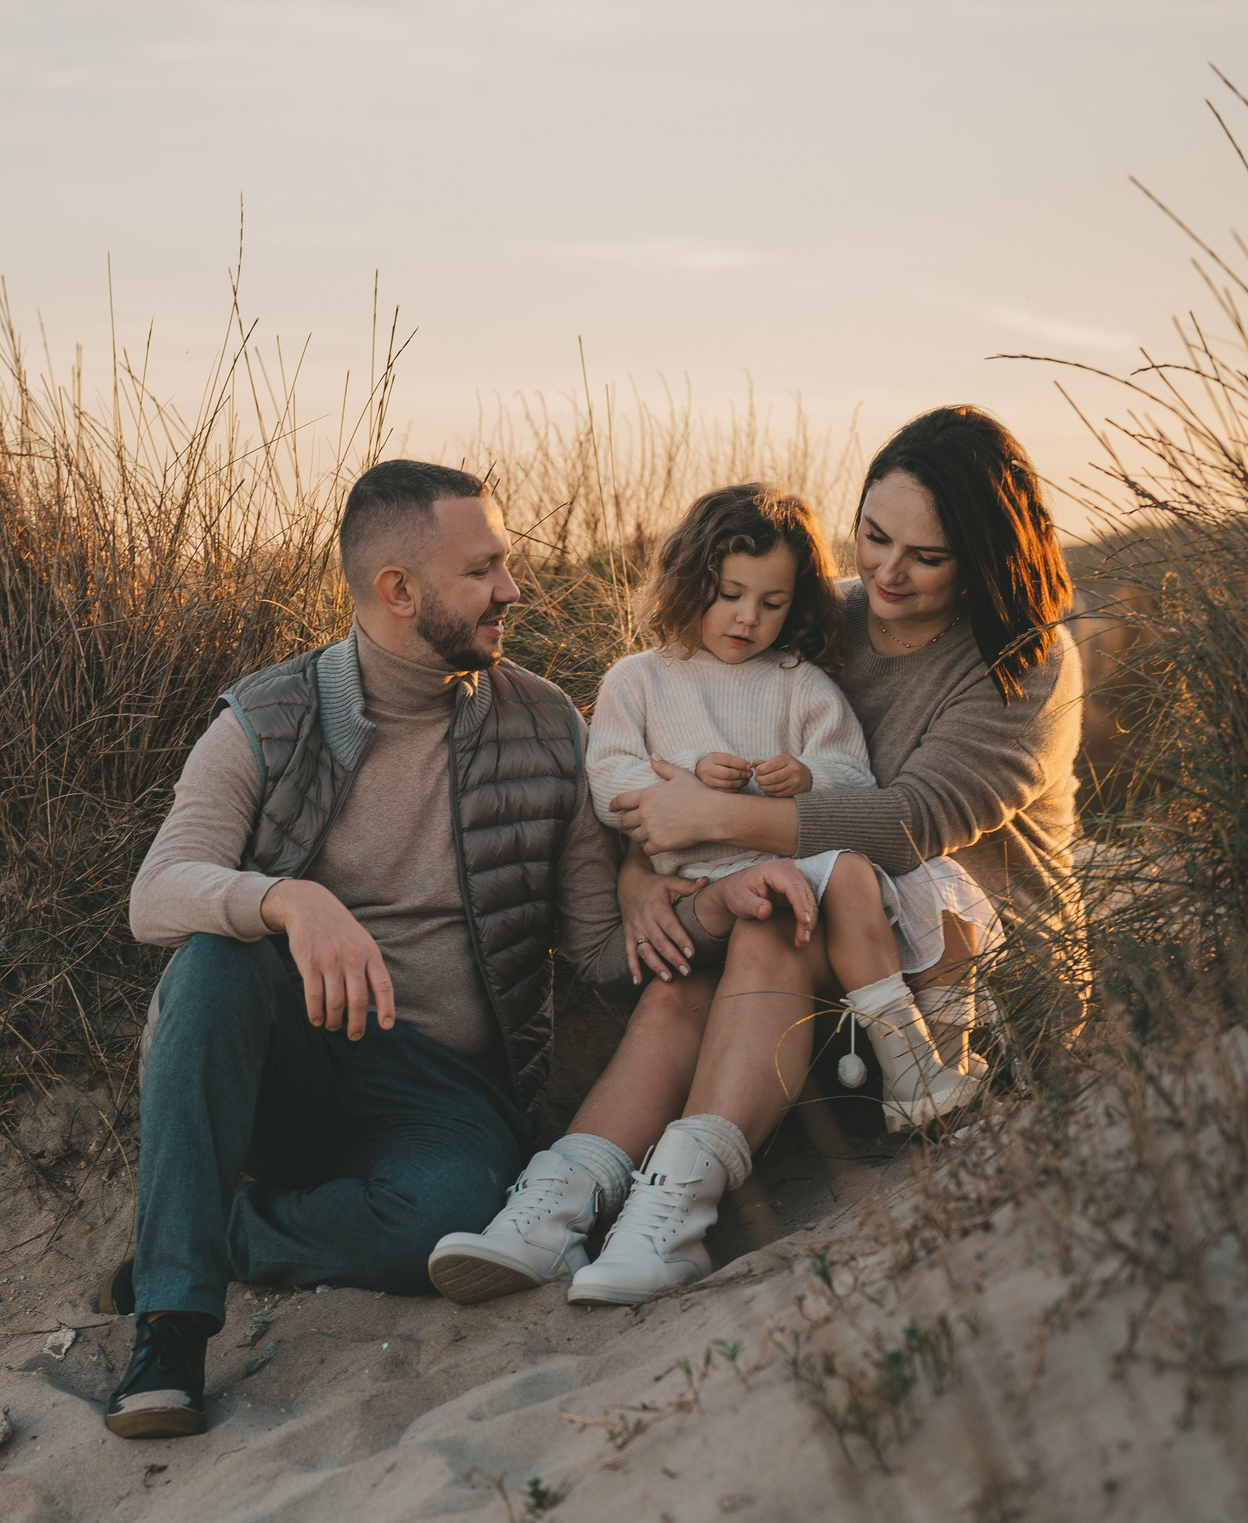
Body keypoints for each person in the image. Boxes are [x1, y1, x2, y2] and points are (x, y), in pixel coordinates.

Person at [98, 458, 642, 1439]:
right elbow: (156, 892)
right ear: (398, 589)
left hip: (445, 1095)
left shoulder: (544, 723)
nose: (512, 589)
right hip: (292, 1067)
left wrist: (700, 888)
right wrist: (287, 900)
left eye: (503, 563)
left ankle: (219, 1230)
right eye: (482, 570)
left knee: (451, 1226)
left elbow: (601, 947)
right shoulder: (266, 718)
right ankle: (170, 1329)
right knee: (216, 958)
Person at [427, 481, 1001, 1305]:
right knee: (671, 998)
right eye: (729, 594)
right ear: (692, 582)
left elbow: (851, 781)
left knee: (771, 917)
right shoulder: (641, 679)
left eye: (771, 602)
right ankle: (555, 1209)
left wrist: (802, 778)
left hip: (789, 901)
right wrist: (684, 794)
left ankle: (671, 1215)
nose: (747, 618)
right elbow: (613, 781)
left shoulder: (800, 682)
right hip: (694, 900)